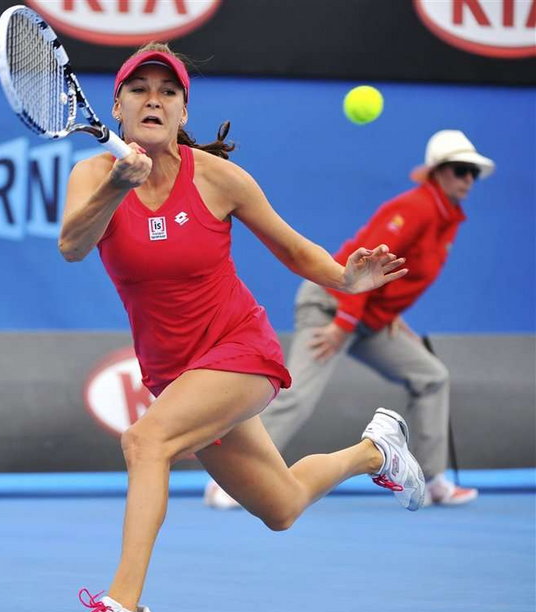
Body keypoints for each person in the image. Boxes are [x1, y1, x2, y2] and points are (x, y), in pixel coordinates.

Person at [45, 43, 424, 612]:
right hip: (175, 373)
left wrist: (346, 280)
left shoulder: (218, 177)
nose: (153, 99)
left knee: (146, 441)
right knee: (281, 506)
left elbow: (295, 249)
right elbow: (71, 246)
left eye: (167, 92)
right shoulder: (93, 176)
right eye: (139, 89)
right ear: (116, 106)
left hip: (238, 348)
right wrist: (117, 185)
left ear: (182, 110)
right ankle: (374, 450)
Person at [204, 129, 493, 512]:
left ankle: (432, 478)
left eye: (472, 171)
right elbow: (368, 265)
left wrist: (388, 317)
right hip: (332, 306)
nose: (467, 179)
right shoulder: (417, 207)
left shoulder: (446, 218)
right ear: (438, 172)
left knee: (432, 376)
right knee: (297, 394)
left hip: (367, 319)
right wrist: (343, 323)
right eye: (460, 170)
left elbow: (399, 277)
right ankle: (236, 481)